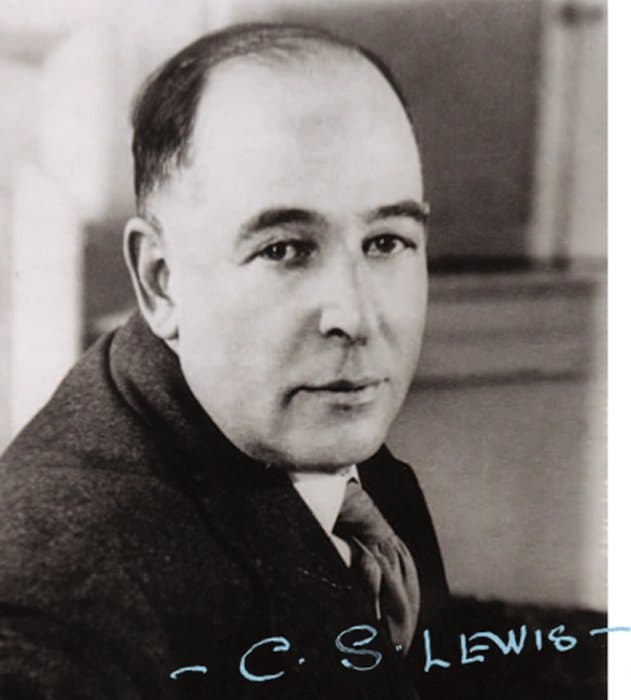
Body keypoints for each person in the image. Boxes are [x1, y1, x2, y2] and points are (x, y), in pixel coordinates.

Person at [0, 23, 449, 699]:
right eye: (283, 250)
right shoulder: (56, 610)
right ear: (161, 281)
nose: (355, 317)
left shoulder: (302, 430)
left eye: (386, 242)